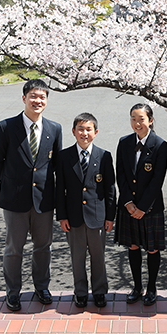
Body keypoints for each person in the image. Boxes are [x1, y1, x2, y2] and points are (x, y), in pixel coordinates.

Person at [0, 79, 63, 311]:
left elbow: (57, 165)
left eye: (42, 97)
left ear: (46, 101)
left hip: (44, 200)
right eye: (33, 96)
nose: (37, 101)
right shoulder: (5, 127)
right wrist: (11, 182)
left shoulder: (54, 129)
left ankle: (41, 287)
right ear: (24, 98)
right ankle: (13, 292)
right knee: (14, 248)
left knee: (43, 246)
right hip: (14, 200)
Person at [56, 113, 116, 308]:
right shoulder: (64, 157)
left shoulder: (104, 156)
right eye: (80, 129)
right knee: (77, 256)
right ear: (73, 132)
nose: (84, 133)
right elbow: (60, 189)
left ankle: (99, 291)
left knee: (98, 257)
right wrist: (62, 216)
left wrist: (110, 216)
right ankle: (80, 292)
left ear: (95, 132)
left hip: (97, 217)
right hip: (73, 218)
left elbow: (110, 189)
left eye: (88, 129)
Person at [114, 103, 167, 306]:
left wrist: (143, 207)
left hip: (150, 208)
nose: (137, 123)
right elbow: (121, 175)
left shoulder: (160, 145)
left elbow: (157, 180)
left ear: (150, 120)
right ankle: (137, 287)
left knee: (152, 249)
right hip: (129, 206)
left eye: (141, 119)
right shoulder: (124, 142)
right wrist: (128, 203)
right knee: (133, 246)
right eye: (133, 119)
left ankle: (152, 288)